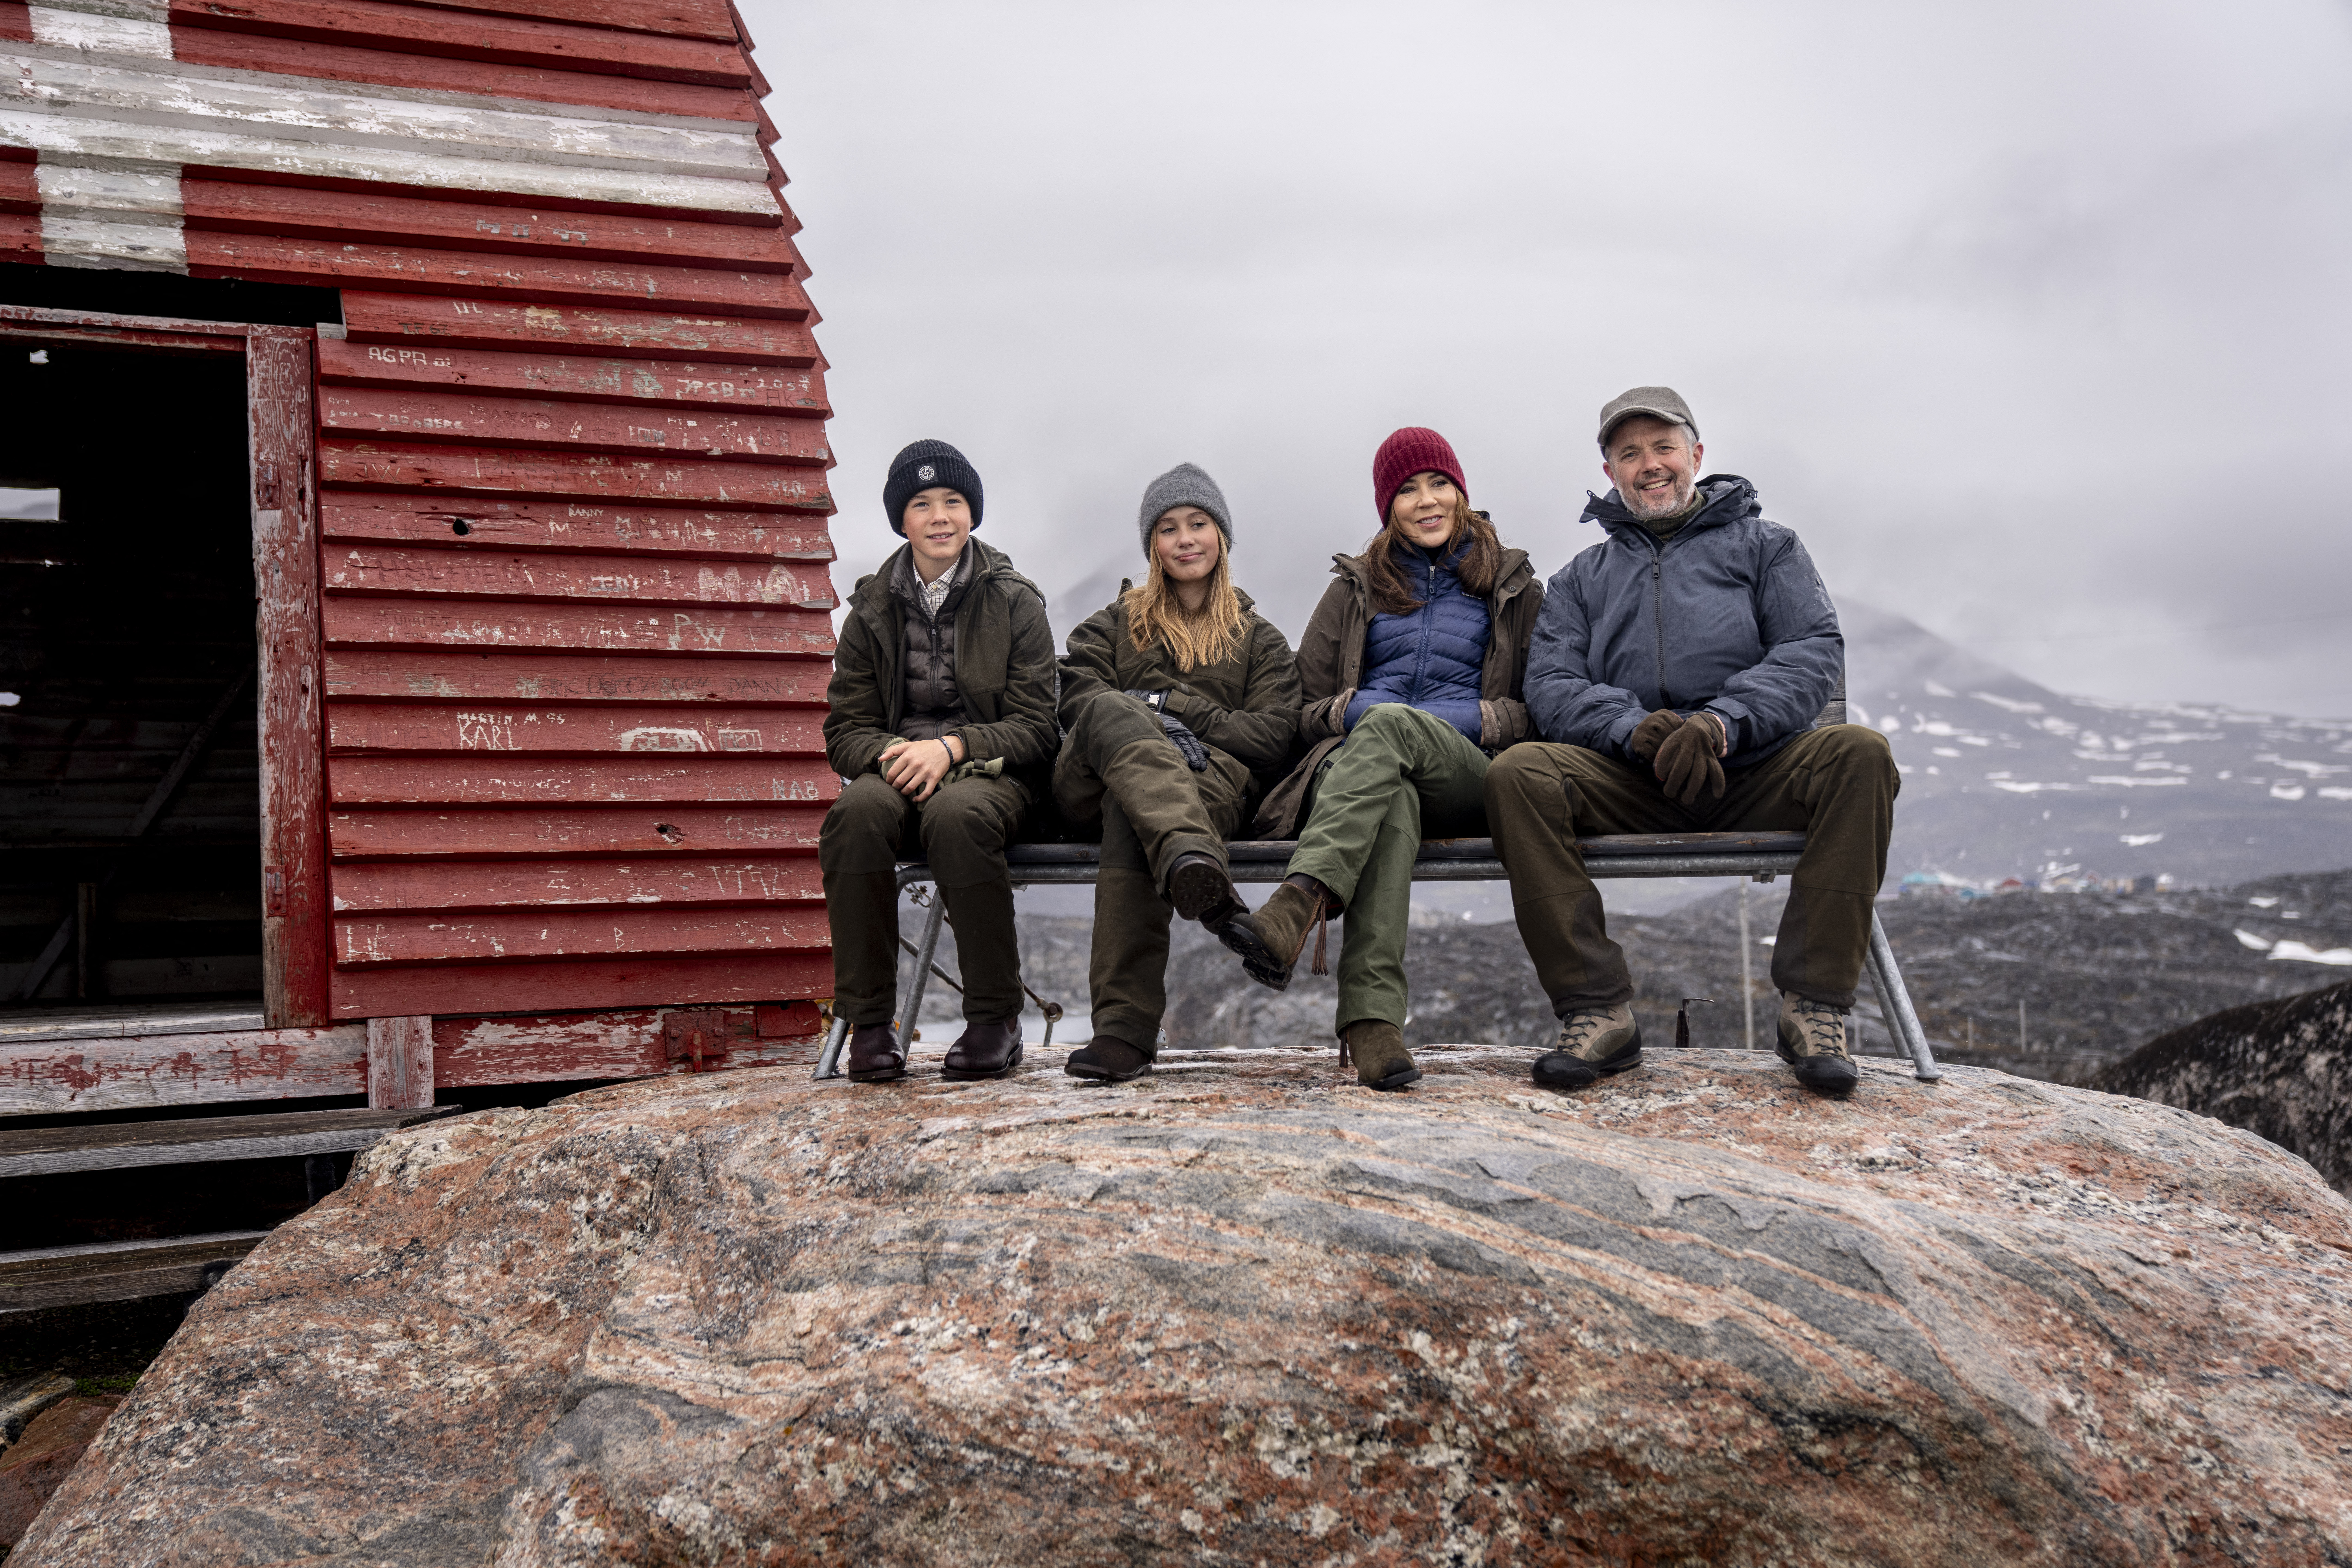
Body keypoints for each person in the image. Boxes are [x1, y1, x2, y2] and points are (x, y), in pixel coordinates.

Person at [1485, 387, 1897, 1096]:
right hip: (1629, 779)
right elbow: (1551, 683)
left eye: (1664, 448)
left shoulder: (1770, 548)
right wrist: (1634, 730)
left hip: (1753, 768)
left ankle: (1815, 1009)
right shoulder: (1581, 579)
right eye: (1630, 453)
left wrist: (1721, 724)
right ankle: (1597, 1012)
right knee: (1519, 774)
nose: (1650, 465)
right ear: (1610, 471)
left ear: (1697, 456)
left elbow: (1808, 650)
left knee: (1860, 755)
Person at [1219, 428, 1541, 1090]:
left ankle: (1298, 902)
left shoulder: (1511, 588)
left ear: (1461, 491)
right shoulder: (1354, 590)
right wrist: (1357, 716)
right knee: (1389, 785)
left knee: (1393, 729)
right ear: (1386, 506)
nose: (1426, 501)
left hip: (1469, 774)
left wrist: (1431, 719)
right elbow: (1303, 711)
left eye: (1438, 484)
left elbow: (1536, 709)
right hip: (1362, 777)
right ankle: (1373, 1025)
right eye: (1407, 490)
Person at [1052, 464, 1302, 1083]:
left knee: (1133, 809)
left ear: (1221, 536)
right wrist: (1150, 726)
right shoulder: (1109, 627)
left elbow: (1271, 736)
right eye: (1169, 529)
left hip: (1205, 789)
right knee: (1112, 710)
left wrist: (1174, 707)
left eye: (1199, 524)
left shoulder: (1260, 641)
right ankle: (1198, 873)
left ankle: (1124, 1033)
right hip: (1087, 783)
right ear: (1152, 545)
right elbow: (1078, 706)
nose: (1186, 539)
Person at [819, 439, 1058, 1084]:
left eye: (953, 501)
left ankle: (995, 1019)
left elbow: (1039, 728)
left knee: (957, 816)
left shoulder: (1016, 602)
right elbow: (846, 730)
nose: (941, 516)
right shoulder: (870, 609)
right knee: (855, 813)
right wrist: (896, 754)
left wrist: (952, 748)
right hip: (899, 771)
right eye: (923, 505)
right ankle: (870, 1025)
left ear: (972, 514)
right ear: (903, 520)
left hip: (995, 775)